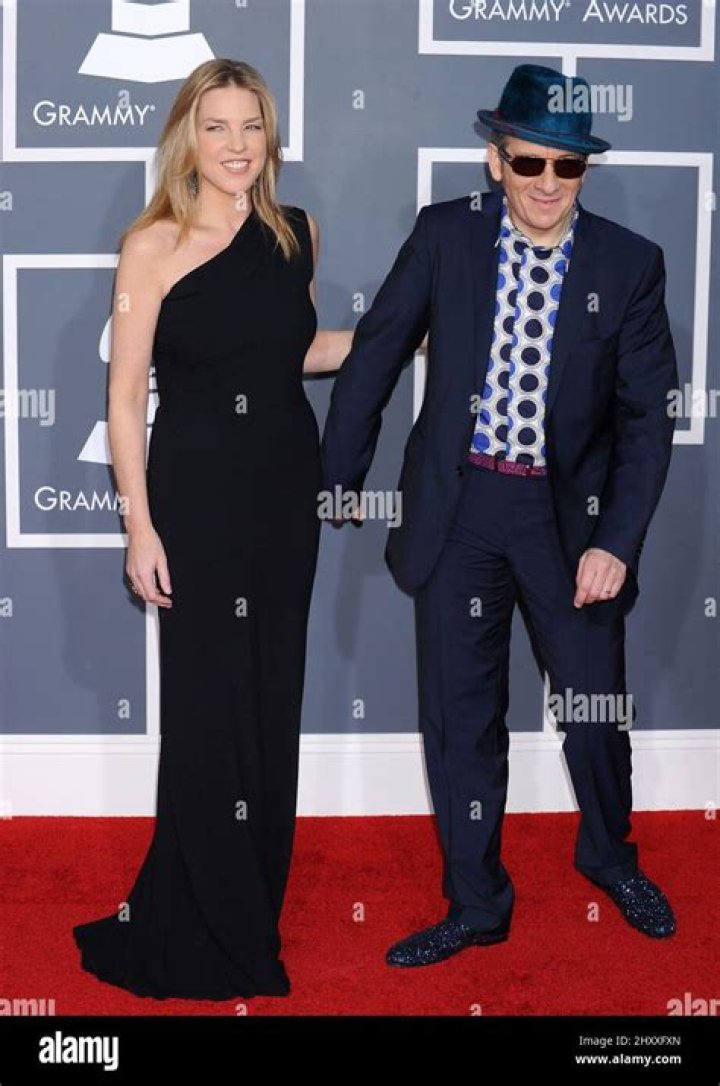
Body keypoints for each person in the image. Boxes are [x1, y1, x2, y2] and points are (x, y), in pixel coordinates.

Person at [320, 63, 678, 968]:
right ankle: (477, 903)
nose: (548, 184)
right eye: (529, 163)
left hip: (570, 520)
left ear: (585, 171)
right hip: (461, 509)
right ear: (495, 160)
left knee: (593, 713)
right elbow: (376, 353)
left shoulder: (629, 265)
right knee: (460, 718)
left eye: (568, 166)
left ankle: (610, 856)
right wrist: (341, 473)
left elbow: (646, 422)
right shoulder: (445, 236)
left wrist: (616, 541)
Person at [72, 58, 350, 999]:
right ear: (188, 137)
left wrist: (402, 336)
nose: (237, 146)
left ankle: (252, 907)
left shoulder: (297, 233)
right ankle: (204, 920)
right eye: (217, 127)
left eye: (252, 127)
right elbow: (123, 398)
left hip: (283, 494)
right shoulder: (151, 245)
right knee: (205, 706)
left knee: (271, 698)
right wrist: (138, 526)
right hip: (195, 498)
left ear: (272, 138)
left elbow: (297, 351)